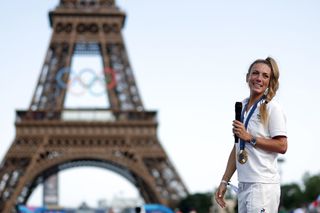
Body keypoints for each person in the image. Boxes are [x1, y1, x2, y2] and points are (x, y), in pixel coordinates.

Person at [214, 57, 288, 212]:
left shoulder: (272, 108)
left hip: (262, 186)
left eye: (265, 76)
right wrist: (224, 180)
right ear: (247, 77)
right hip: (243, 185)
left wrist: (250, 137)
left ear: (269, 81)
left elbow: (282, 145)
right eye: (255, 73)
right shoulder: (241, 107)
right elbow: (237, 148)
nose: (259, 78)